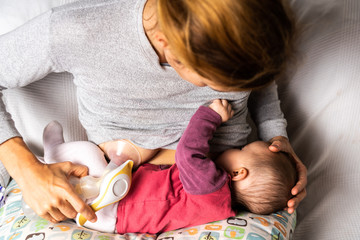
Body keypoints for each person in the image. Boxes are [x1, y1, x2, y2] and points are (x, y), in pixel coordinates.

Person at [0, 0, 307, 224]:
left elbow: (261, 82)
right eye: (220, 84)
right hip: (107, 192)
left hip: (229, 202)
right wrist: (27, 170)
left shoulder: (252, 19)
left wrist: (277, 144)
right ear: (167, 46)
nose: (235, 91)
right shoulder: (76, 31)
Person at [42, 99, 297, 233]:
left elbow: (188, 152)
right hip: (114, 215)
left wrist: (211, 116)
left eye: (242, 150)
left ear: (238, 173)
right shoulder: (220, 206)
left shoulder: (212, 185)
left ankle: (53, 153)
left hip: (111, 205)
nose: (236, 148)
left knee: (88, 153)